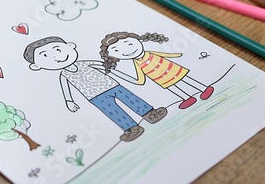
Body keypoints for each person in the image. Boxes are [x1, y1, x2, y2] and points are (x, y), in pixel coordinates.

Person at [23, 36, 167, 142]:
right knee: (113, 112)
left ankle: (150, 113)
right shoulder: (64, 74)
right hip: (94, 96)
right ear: (36, 66)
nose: (56, 56)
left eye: (58, 49)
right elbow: (66, 88)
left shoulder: (85, 63)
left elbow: (106, 67)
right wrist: (69, 101)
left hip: (111, 85)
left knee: (130, 99)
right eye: (45, 56)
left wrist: (124, 76)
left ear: (71, 46)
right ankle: (132, 128)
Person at [100, 31, 214, 109]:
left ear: (138, 40)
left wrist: (178, 54)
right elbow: (140, 80)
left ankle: (204, 88)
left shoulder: (149, 53)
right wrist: (120, 75)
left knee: (185, 79)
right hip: (160, 78)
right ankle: (187, 98)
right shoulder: (137, 63)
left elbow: (164, 54)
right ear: (113, 56)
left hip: (170, 69)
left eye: (129, 43)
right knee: (173, 86)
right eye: (116, 51)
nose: (126, 50)